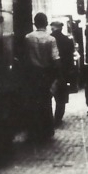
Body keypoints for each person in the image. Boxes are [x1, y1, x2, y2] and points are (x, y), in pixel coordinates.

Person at [23, 12, 61, 141]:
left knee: (33, 102)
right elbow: (55, 58)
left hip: (32, 74)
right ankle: (46, 131)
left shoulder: (28, 38)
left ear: (35, 23)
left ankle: (33, 131)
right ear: (46, 24)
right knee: (46, 102)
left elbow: (24, 56)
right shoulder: (51, 39)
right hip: (46, 74)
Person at [49, 20, 75, 126]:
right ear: (61, 28)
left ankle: (49, 118)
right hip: (63, 73)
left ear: (52, 28)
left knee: (48, 96)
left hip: (49, 72)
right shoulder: (67, 41)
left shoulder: (49, 39)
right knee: (61, 99)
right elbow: (70, 59)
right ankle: (58, 118)